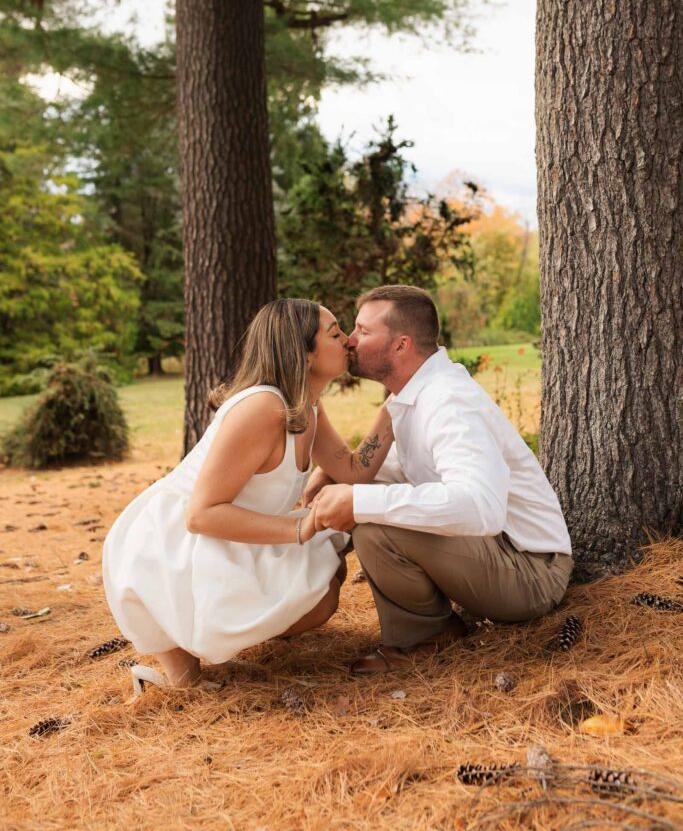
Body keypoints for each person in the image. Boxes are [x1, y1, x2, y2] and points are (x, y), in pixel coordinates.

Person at [102, 298, 394, 691]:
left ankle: (188, 659)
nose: (349, 340)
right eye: (335, 332)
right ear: (303, 353)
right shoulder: (263, 407)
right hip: (169, 545)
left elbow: (354, 470)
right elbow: (200, 515)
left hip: (226, 532)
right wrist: (302, 528)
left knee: (327, 573)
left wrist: (399, 398)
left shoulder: (305, 405)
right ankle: (180, 645)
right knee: (318, 592)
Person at [305, 285, 573, 675]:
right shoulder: (416, 396)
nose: (349, 340)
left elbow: (480, 507)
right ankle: (435, 626)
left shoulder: (449, 401)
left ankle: (424, 638)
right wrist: (329, 477)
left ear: (400, 345)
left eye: (363, 330)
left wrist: (358, 502)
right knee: (370, 505)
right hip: (497, 554)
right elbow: (385, 470)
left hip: (532, 571)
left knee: (374, 526)